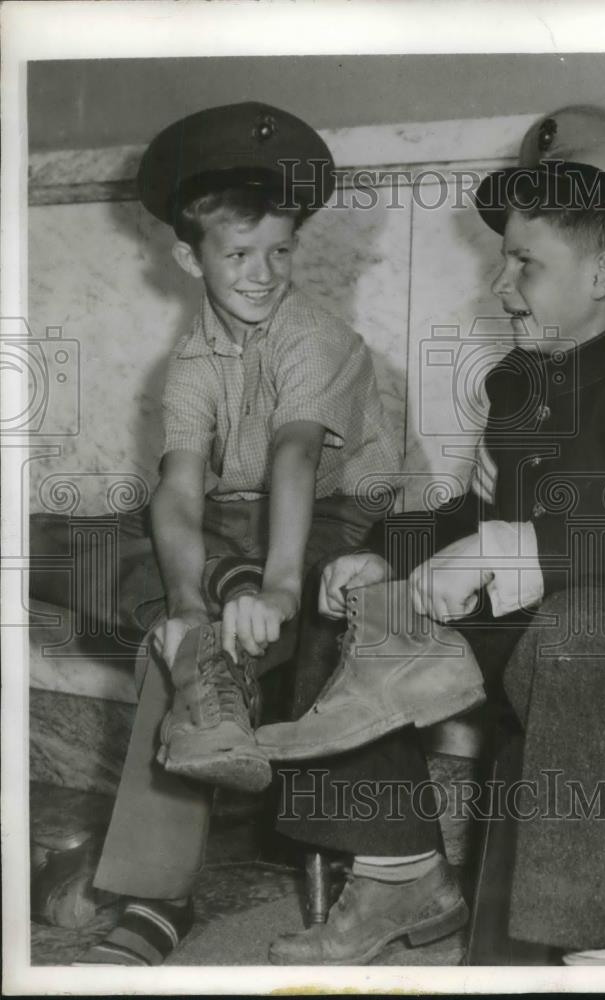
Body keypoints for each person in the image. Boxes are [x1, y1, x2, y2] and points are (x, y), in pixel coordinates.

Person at [251, 105, 605, 966]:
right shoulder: (519, 383)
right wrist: (391, 553)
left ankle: (602, 952)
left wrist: (519, 551)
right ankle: (400, 868)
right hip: (538, 644)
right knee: (354, 591)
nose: (500, 284)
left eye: (525, 262)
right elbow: (478, 514)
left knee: (579, 632)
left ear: (602, 274)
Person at [29, 100, 403, 965]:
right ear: (186, 257)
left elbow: (297, 461)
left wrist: (272, 586)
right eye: (238, 254)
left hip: (332, 523)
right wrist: (195, 597)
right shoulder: (192, 359)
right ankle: (210, 607)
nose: (264, 273)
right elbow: (178, 491)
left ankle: (157, 900)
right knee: (48, 542)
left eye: (281, 250)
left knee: (182, 647)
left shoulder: (315, 337)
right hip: (231, 524)